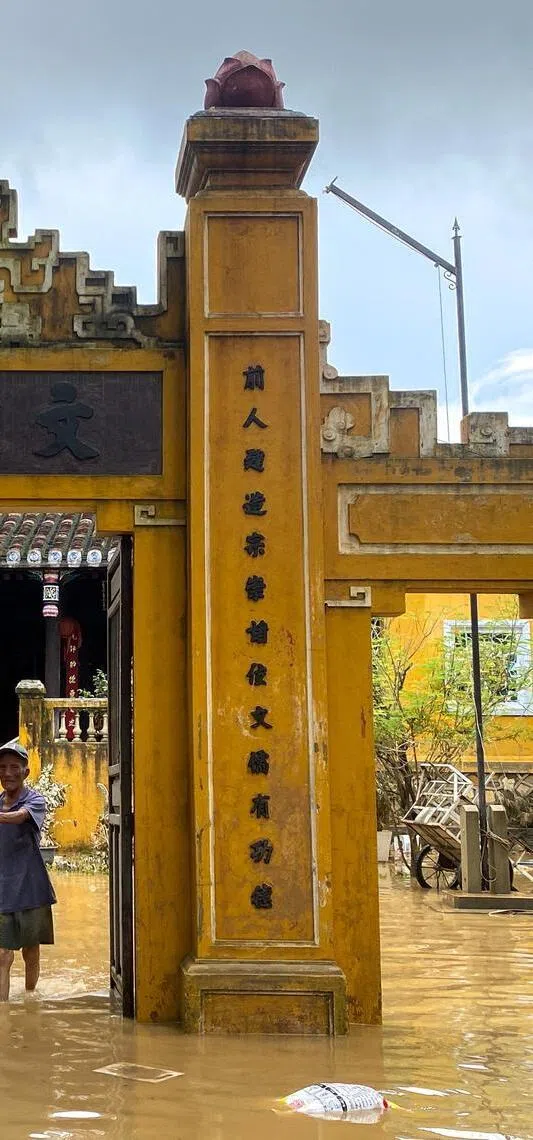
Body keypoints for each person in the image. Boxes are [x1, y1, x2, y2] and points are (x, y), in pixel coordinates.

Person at [0, 741, 56, 1000]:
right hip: (3, 888)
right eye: (2, 768)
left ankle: (30, 1000)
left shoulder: (34, 800)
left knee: (30, 952)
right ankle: (4, 1008)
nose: (7, 773)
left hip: (31, 887)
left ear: (26, 772)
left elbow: (21, 816)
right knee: (2, 954)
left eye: (14, 767)